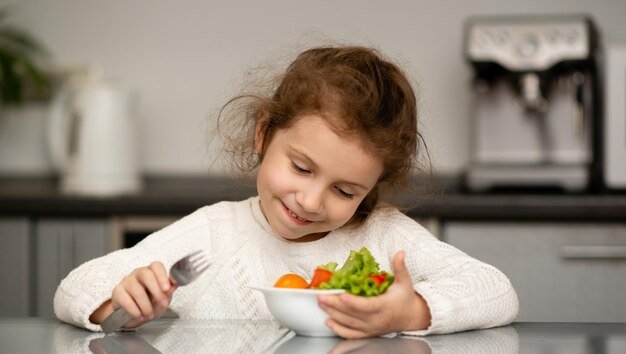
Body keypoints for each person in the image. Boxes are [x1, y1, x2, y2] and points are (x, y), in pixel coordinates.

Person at [54, 44, 519, 337]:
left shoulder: (383, 237)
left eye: (344, 190)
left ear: (372, 188)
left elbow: (496, 290)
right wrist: (120, 303)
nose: (311, 201)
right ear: (263, 135)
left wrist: (410, 311)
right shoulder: (215, 233)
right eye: (300, 167)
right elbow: (74, 286)